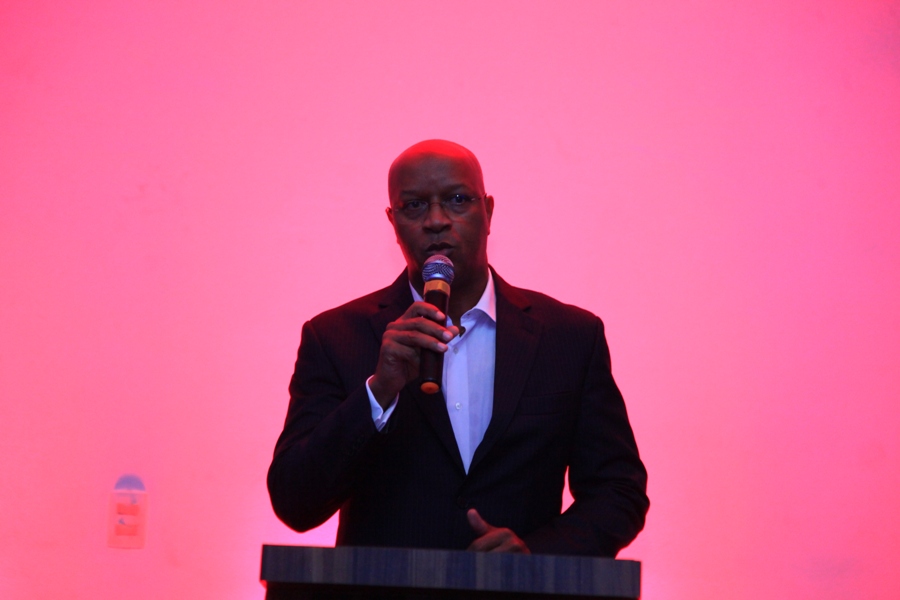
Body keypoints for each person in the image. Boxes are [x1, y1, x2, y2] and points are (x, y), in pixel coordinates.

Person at [268, 140, 648, 556]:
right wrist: (378, 392)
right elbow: (294, 502)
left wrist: (536, 556)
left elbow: (618, 491)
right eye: (414, 206)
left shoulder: (569, 337)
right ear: (393, 222)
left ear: (489, 212)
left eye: (457, 200)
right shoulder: (335, 337)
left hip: (521, 589)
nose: (436, 220)